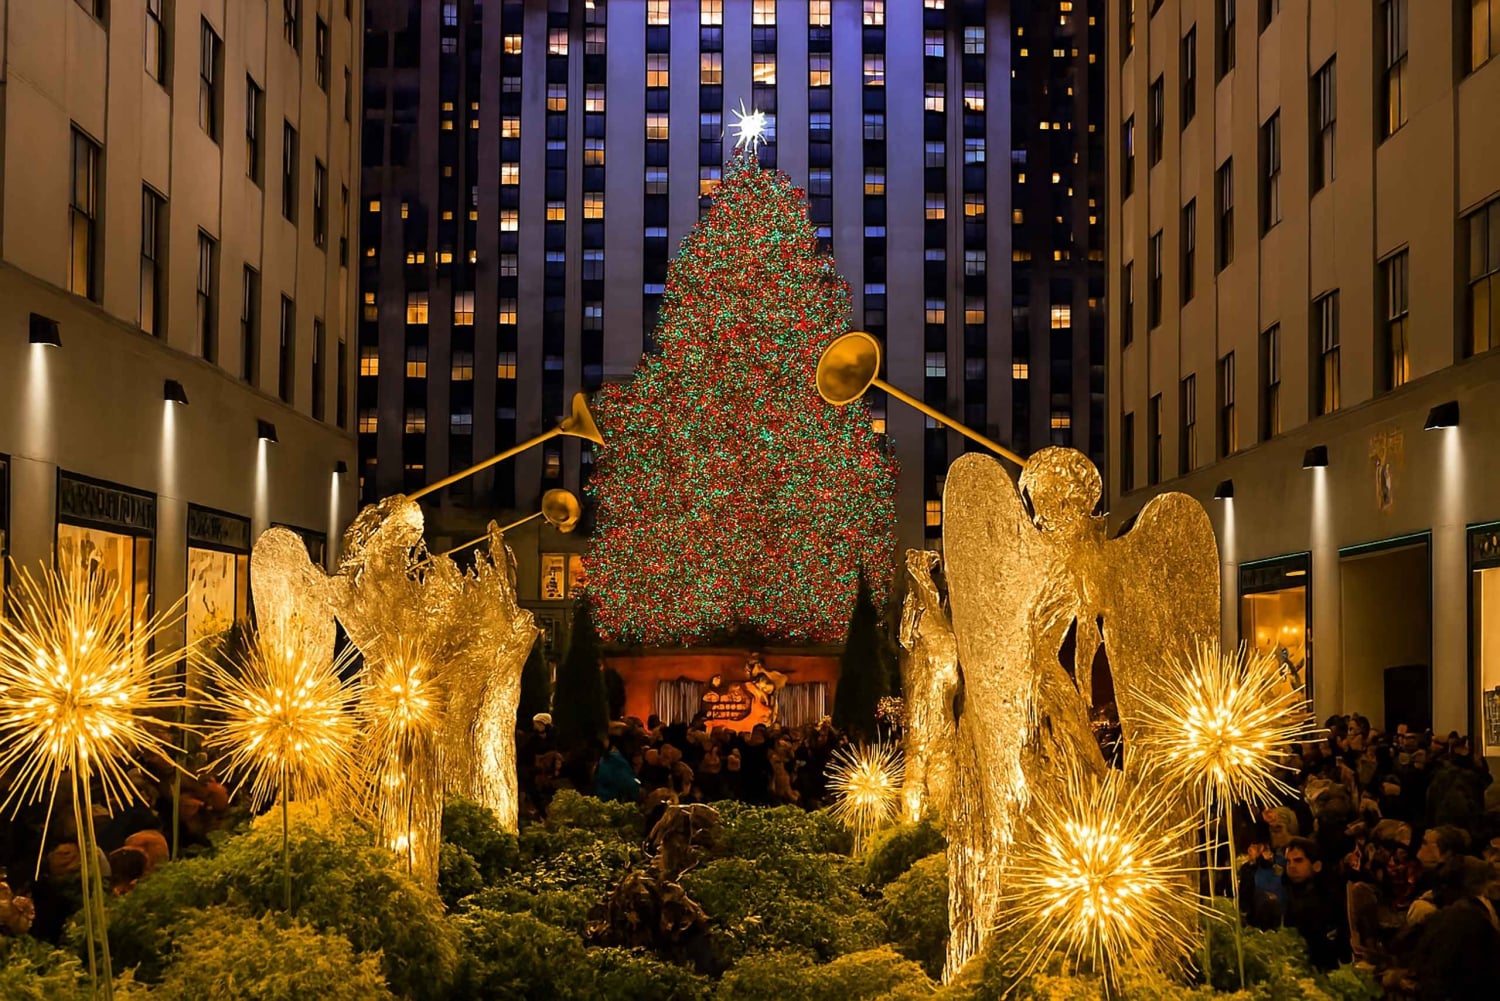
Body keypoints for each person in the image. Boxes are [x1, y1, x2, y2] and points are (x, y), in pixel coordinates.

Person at [1282, 837, 1347, 970]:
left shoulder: (1331, 897)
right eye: (1288, 861)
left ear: (1316, 866)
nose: (1292, 866)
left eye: (1299, 860)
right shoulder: (1286, 893)